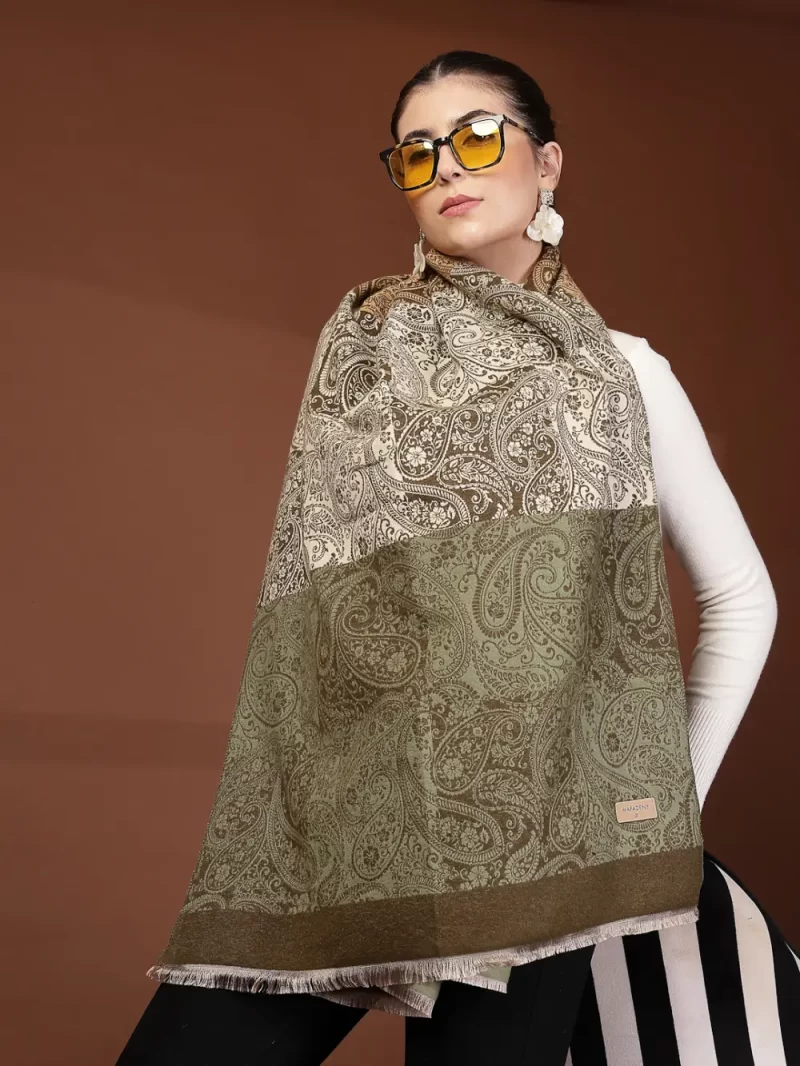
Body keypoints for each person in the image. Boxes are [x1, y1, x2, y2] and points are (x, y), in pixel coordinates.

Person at [116, 50, 780, 1065]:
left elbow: (742, 598)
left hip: (545, 849)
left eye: (476, 136)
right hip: (348, 822)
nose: (447, 167)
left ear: (546, 163)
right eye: (418, 152)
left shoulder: (623, 376)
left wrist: (654, 825)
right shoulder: (359, 357)